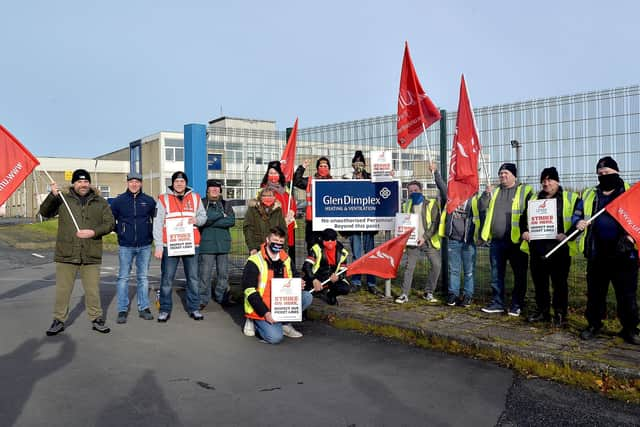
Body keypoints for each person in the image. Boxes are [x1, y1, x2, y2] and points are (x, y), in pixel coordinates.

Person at [573, 157, 639, 345]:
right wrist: (578, 223)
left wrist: (631, 238)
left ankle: (630, 329)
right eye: (600, 174)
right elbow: (576, 215)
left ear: (616, 172)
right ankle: (594, 325)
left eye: (607, 173)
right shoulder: (589, 194)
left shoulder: (630, 192)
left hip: (625, 253)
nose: (603, 176)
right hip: (597, 251)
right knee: (595, 293)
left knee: (627, 294)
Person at [40, 169, 115, 336]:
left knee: (93, 291)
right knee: (63, 290)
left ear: (89, 183)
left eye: (86, 181)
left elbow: (110, 223)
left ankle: (96, 319)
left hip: (91, 253)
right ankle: (58, 320)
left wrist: (93, 232)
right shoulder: (63, 199)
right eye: (80, 181)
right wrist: (52, 195)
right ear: (74, 183)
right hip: (67, 253)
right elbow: (44, 212)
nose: (83, 184)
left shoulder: (100, 201)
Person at [521, 167, 579, 327]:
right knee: (540, 283)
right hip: (537, 248)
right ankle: (542, 312)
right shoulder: (534, 199)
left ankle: (560, 314)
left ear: (557, 181)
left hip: (559, 249)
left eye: (549, 180)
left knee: (559, 284)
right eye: (543, 180)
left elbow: (578, 221)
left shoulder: (570, 198)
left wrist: (567, 234)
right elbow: (523, 218)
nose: (546, 183)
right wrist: (524, 231)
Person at [431, 163, 489, 307]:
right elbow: (442, 186)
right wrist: (436, 172)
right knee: (454, 270)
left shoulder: (475, 199)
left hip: (469, 241)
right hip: (453, 240)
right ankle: (453, 294)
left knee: (469, 270)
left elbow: (483, 205)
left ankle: (468, 295)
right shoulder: (452, 196)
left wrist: (487, 194)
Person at [242, 226, 313, 344]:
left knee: (307, 297)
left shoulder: (286, 259)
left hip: (281, 305)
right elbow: (249, 291)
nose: (278, 244)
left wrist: (298, 283)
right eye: (275, 240)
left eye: (281, 241)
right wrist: (265, 312)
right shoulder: (254, 261)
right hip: (261, 307)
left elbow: (294, 275)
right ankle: (253, 321)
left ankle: (284, 323)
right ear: (267, 240)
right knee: (275, 338)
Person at [480, 163, 533, 316]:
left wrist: (527, 231)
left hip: (517, 241)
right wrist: (485, 194)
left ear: (514, 176)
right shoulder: (494, 192)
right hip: (497, 241)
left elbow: (533, 211)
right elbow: (483, 207)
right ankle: (497, 303)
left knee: (519, 274)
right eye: (501, 173)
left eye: (506, 173)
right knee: (496, 274)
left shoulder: (525, 190)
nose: (502, 176)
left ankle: (517, 304)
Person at [153, 171, 207, 322]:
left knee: (193, 278)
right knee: (167, 278)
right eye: (176, 181)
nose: (179, 184)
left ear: (186, 183)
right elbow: (157, 223)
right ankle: (164, 309)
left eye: (182, 181)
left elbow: (204, 217)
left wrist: (196, 220)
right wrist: (158, 245)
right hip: (169, 245)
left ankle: (194, 308)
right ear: (173, 183)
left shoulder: (195, 198)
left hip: (191, 245)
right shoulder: (163, 199)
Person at [110, 172, 156, 324]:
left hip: (145, 245)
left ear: (141, 183)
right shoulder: (118, 201)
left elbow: (155, 219)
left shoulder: (149, 201)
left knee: (143, 277)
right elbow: (112, 220)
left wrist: (150, 233)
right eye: (131, 181)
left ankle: (144, 308)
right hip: (126, 245)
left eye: (137, 181)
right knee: (123, 277)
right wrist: (121, 232)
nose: (134, 184)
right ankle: (122, 309)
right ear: (127, 183)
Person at [395, 180, 442, 304]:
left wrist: (425, 237)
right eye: (410, 191)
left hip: (428, 240)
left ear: (421, 190)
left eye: (415, 190)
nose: (413, 193)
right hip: (412, 242)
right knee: (409, 267)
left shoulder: (431, 203)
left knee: (437, 265)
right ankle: (404, 294)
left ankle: (429, 292)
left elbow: (435, 223)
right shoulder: (406, 205)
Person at [340, 150, 380, 294]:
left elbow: (382, 188)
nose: (358, 165)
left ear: (365, 164)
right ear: (352, 164)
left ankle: (371, 283)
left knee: (370, 253)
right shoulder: (347, 179)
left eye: (361, 163)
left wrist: (389, 176)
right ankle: (356, 282)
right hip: (353, 223)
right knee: (356, 254)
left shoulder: (371, 178)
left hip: (369, 222)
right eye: (356, 163)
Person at [197, 179, 236, 309]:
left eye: (217, 188)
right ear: (207, 189)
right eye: (212, 188)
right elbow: (201, 221)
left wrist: (210, 219)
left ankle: (222, 296)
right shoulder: (201, 203)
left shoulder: (226, 204)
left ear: (220, 190)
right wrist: (220, 215)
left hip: (223, 245)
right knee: (204, 274)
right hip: (206, 245)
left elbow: (231, 221)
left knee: (223, 274)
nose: (214, 190)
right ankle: (202, 299)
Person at [259, 160, 297, 266]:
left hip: (288, 226)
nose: (273, 176)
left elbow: (292, 203)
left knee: (287, 253)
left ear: (279, 175)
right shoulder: (264, 189)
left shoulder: (285, 189)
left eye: (275, 173)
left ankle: (288, 274)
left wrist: (292, 212)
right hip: (273, 227)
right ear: (267, 174)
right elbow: (262, 207)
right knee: (273, 252)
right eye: (271, 173)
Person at [293, 156, 333, 252]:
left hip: (328, 219)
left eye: (325, 166)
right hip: (312, 220)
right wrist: (302, 167)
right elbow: (296, 181)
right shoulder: (310, 181)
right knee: (312, 246)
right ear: (317, 168)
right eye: (321, 166)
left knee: (328, 246)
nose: (323, 168)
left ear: (329, 168)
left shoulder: (333, 182)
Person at [302, 228, 350, 305]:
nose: (330, 241)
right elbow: (306, 266)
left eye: (332, 239)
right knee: (303, 289)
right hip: (317, 276)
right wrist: (314, 279)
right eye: (327, 239)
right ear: (322, 239)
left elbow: (343, 270)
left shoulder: (342, 252)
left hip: (332, 278)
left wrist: (338, 277)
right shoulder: (316, 249)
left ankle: (330, 295)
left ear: (336, 239)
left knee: (345, 288)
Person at [243, 187, 288, 255]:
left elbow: (283, 230)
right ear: (260, 197)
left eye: (270, 196)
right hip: (258, 248)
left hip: (275, 247)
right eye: (264, 196)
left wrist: (284, 248)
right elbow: (248, 229)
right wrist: (252, 248)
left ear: (274, 197)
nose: (267, 198)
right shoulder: (253, 210)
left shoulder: (278, 210)